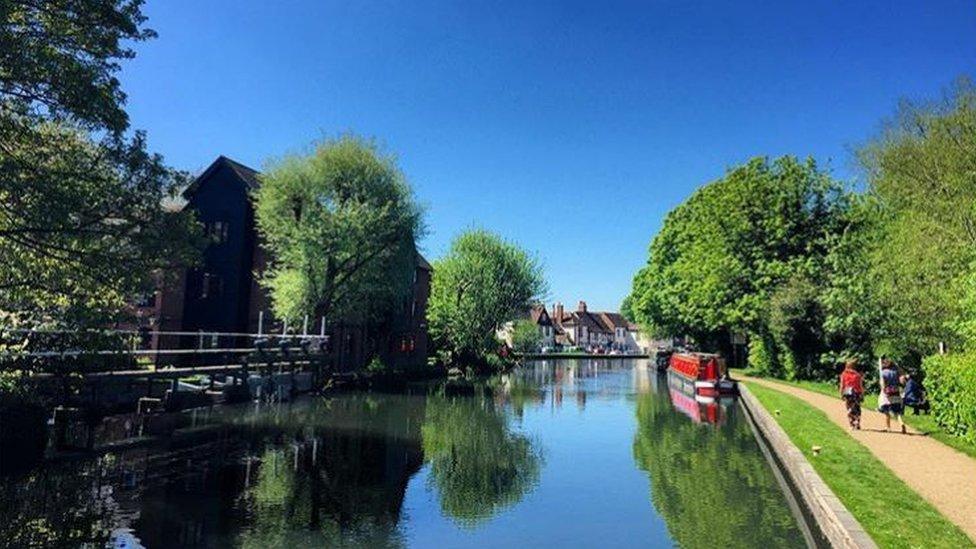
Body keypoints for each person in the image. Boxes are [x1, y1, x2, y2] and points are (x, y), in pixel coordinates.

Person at [878, 358, 907, 434]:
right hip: (896, 392)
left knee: (886, 411)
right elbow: (902, 381)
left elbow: (883, 384)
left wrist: (883, 389)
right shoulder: (895, 372)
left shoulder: (883, 373)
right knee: (897, 412)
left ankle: (888, 427)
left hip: (887, 393)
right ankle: (901, 423)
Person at [839, 359, 864, 430]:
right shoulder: (858, 375)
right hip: (857, 393)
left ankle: (851, 424)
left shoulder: (843, 374)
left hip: (848, 393)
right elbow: (860, 386)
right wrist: (862, 394)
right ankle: (857, 424)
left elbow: (842, 385)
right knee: (857, 409)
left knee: (849, 408)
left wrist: (841, 393)